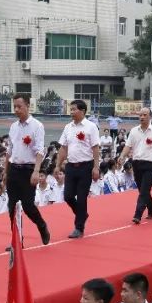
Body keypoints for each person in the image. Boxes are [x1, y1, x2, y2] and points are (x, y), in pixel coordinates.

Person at [4, 96, 51, 246]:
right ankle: (17, 240)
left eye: (19, 106)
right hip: (13, 169)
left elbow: (39, 151)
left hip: (29, 170)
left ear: (28, 106)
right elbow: (9, 151)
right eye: (14, 107)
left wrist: (36, 171)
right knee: (12, 206)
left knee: (28, 206)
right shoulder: (13, 126)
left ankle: (42, 226)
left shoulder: (37, 126)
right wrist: (6, 171)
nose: (16, 110)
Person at [55, 99, 100, 239]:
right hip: (71, 166)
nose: (72, 112)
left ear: (83, 111)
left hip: (86, 166)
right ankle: (82, 214)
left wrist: (96, 167)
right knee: (68, 196)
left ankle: (79, 227)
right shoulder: (68, 127)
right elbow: (63, 147)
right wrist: (57, 165)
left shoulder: (91, 127)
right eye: (71, 109)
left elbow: (95, 148)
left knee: (81, 199)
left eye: (74, 109)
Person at [117, 107, 152, 225]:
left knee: (144, 191)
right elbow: (128, 146)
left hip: (150, 165)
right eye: (140, 115)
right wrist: (122, 156)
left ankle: (137, 214)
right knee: (142, 190)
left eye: (144, 115)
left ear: (150, 117)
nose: (142, 117)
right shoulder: (134, 131)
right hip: (137, 164)